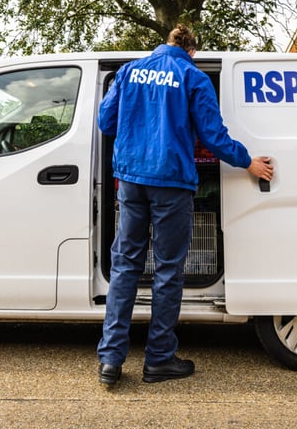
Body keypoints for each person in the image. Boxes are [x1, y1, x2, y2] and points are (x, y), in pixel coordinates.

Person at [97, 24, 274, 385]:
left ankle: (111, 361)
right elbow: (213, 136)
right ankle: (158, 359)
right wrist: (248, 162)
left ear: (164, 44)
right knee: (167, 271)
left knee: (125, 266)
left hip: (131, 181)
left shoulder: (130, 71)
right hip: (172, 185)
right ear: (193, 52)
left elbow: (105, 121)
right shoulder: (193, 77)